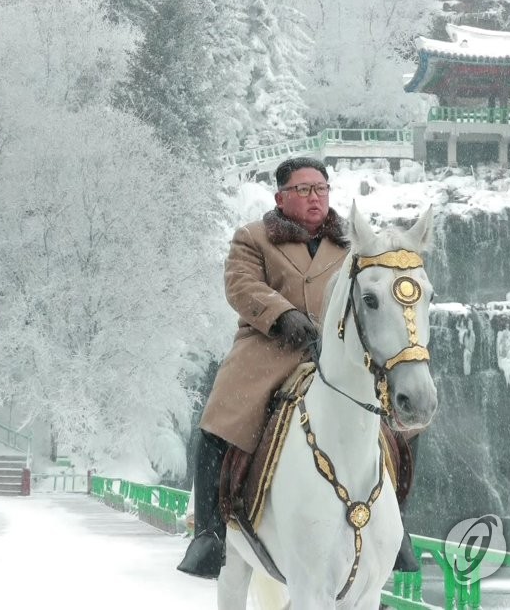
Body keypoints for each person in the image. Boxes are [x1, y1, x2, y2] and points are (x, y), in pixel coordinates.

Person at [177, 157, 421, 579]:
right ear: (280, 197)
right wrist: (282, 314)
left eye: (321, 189)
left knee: (405, 423)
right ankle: (210, 535)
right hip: (269, 347)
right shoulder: (252, 239)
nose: (315, 197)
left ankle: (394, 528)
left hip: (337, 354)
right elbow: (241, 285)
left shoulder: (353, 244)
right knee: (219, 423)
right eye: (303, 190)